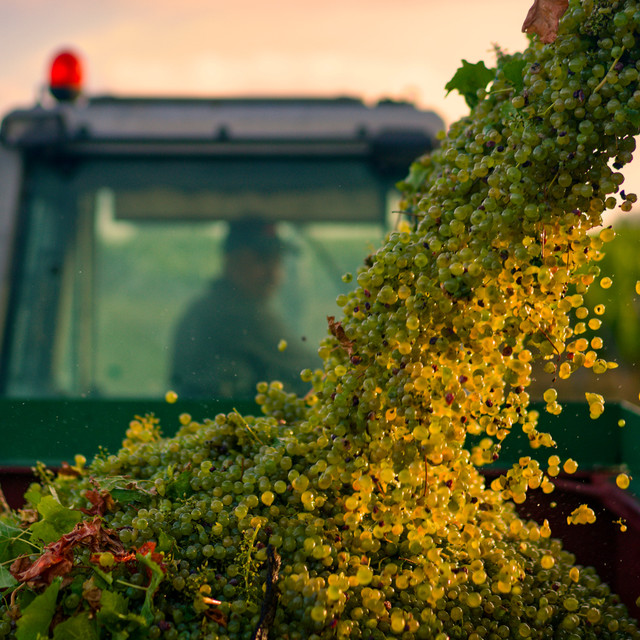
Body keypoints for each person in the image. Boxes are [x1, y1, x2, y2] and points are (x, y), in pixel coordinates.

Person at [170, 218, 315, 398]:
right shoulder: (236, 313)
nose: (272, 274)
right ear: (231, 262)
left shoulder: (206, 306)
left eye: (277, 261)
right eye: (261, 260)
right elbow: (310, 369)